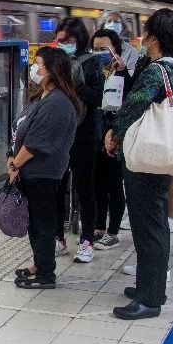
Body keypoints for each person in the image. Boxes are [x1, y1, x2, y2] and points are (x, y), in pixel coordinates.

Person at [105, 8, 173, 320]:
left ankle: (150, 299)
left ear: (153, 38)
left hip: (145, 157)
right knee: (151, 224)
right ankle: (148, 286)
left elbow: (133, 106)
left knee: (149, 226)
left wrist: (113, 134)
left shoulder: (157, 71)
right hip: (158, 155)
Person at [10, 47, 80, 290]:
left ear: (52, 71)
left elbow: (37, 142)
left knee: (43, 222)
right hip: (31, 172)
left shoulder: (58, 102)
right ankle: (39, 265)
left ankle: (46, 274)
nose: (34, 69)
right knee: (35, 222)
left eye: (38, 64)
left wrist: (15, 163)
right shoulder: (43, 96)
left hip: (42, 173)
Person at [52, 17, 106, 264]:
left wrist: (71, 86)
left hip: (85, 135)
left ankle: (86, 241)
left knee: (86, 189)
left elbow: (99, 97)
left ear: (79, 39)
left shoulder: (92, 62)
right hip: (60, 134)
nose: (63, 44)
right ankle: (58, 238)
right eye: (60, 40)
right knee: (56, 188)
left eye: (68, 40)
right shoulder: (54, 62)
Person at [91, 28, 132, 251]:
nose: (99, 54)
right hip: (96, 134)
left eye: (104, 49)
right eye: (95, 49)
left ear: (116, 50)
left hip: (115, 135)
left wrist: (114, 132)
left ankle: (113, 231)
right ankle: (99, 227)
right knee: (98, 184)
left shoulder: (125, 75)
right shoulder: (95, 71)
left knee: (114, 185)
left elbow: (127, 103)